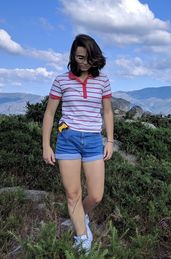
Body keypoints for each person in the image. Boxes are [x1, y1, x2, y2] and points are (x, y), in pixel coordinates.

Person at [42, 34, 114, 252]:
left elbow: (108, 111)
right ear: (73, 55)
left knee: (95, 195)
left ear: (96, 58)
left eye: (89, 58)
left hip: (93, 140)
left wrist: (109, 140)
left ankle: (80, 217)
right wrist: (46, 145)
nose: (84, 62)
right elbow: (49, 114)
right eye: (80, 57)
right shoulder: (61, 80)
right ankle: (83, 239)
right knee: (72, 193)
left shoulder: (103, 81)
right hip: (67, 140)